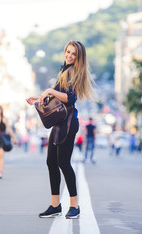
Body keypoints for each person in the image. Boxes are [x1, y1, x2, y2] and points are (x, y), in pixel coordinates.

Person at [26, 40, 96, 219]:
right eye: (68, 52)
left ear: (79, 57)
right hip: (59, 121)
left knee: (63, 163)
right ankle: (55, 205)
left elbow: (69, 98)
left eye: (73, 54)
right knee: (51, 162)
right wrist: (39, 99)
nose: (70, 56)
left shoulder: (75, 72)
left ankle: (75, 205)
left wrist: (49, 90)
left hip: (68, 123)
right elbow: (56, 98)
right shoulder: (64, 70)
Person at [0, 105, 17, 179]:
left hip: (2, 139)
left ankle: (0, 172)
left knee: (1, 155)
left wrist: (14, 138)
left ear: (1, 111)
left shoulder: (4, 119)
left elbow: (9, 129)